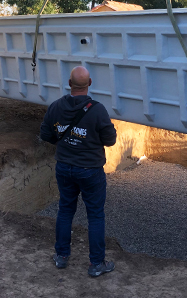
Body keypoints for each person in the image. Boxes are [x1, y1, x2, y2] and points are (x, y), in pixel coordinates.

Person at [40, 66, 117, 277]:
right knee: (95, 216)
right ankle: (96, 264)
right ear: (90, 83)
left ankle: (61, 257)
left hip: (64, 167)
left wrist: (66, 140)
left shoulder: (56, 107)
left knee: (65, 210)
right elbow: (110, 140)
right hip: (90, 170)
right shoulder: (98, 110)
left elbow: (46, 134)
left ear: (69, 83)